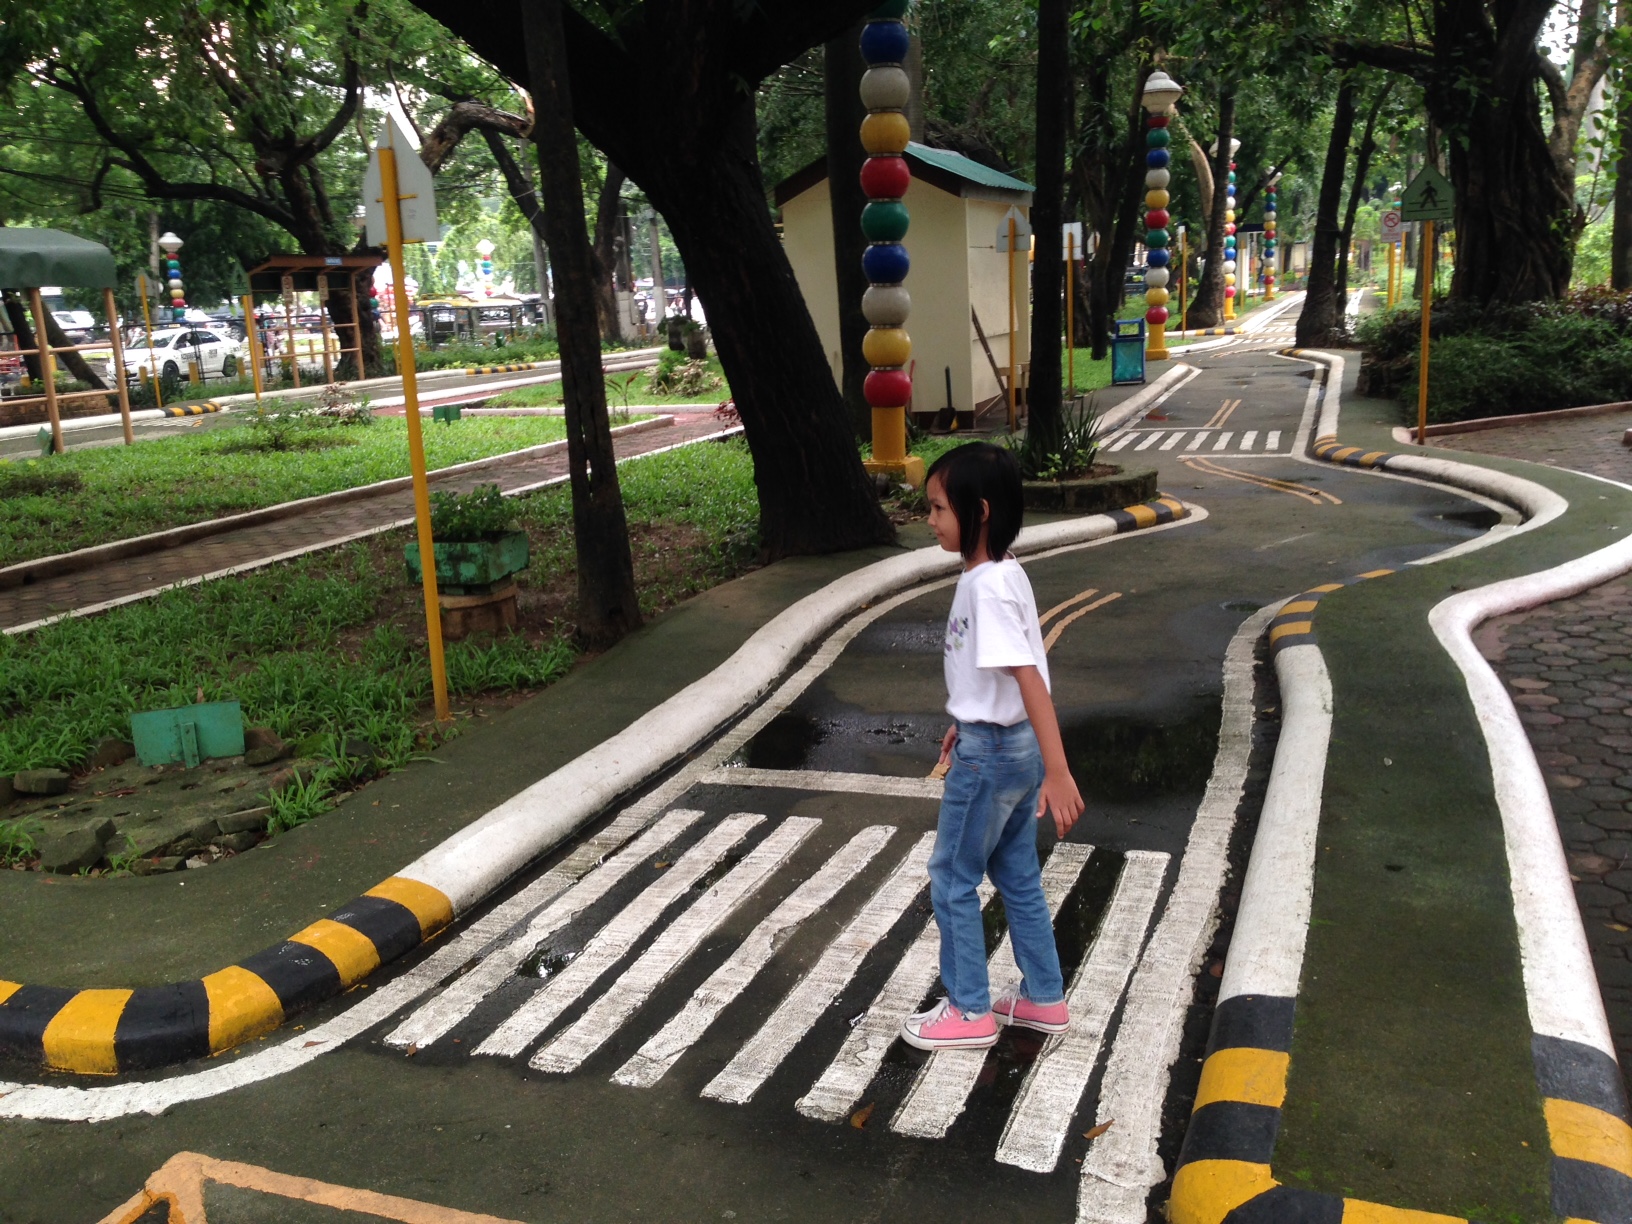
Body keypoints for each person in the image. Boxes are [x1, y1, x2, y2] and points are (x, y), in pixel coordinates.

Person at [901, 443, 1086, 1051]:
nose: (929, 520)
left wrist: (1059, 773)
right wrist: (969, 716)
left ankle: (970, 1010)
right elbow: (999, 676)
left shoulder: (987, 588)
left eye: (937, 508)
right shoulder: (1003, 571)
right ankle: (1044, 998)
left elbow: (1030, 675)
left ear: (977, 512)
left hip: (995, 756)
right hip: (1008, 745)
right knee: (1017, 874)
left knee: (952, 877)